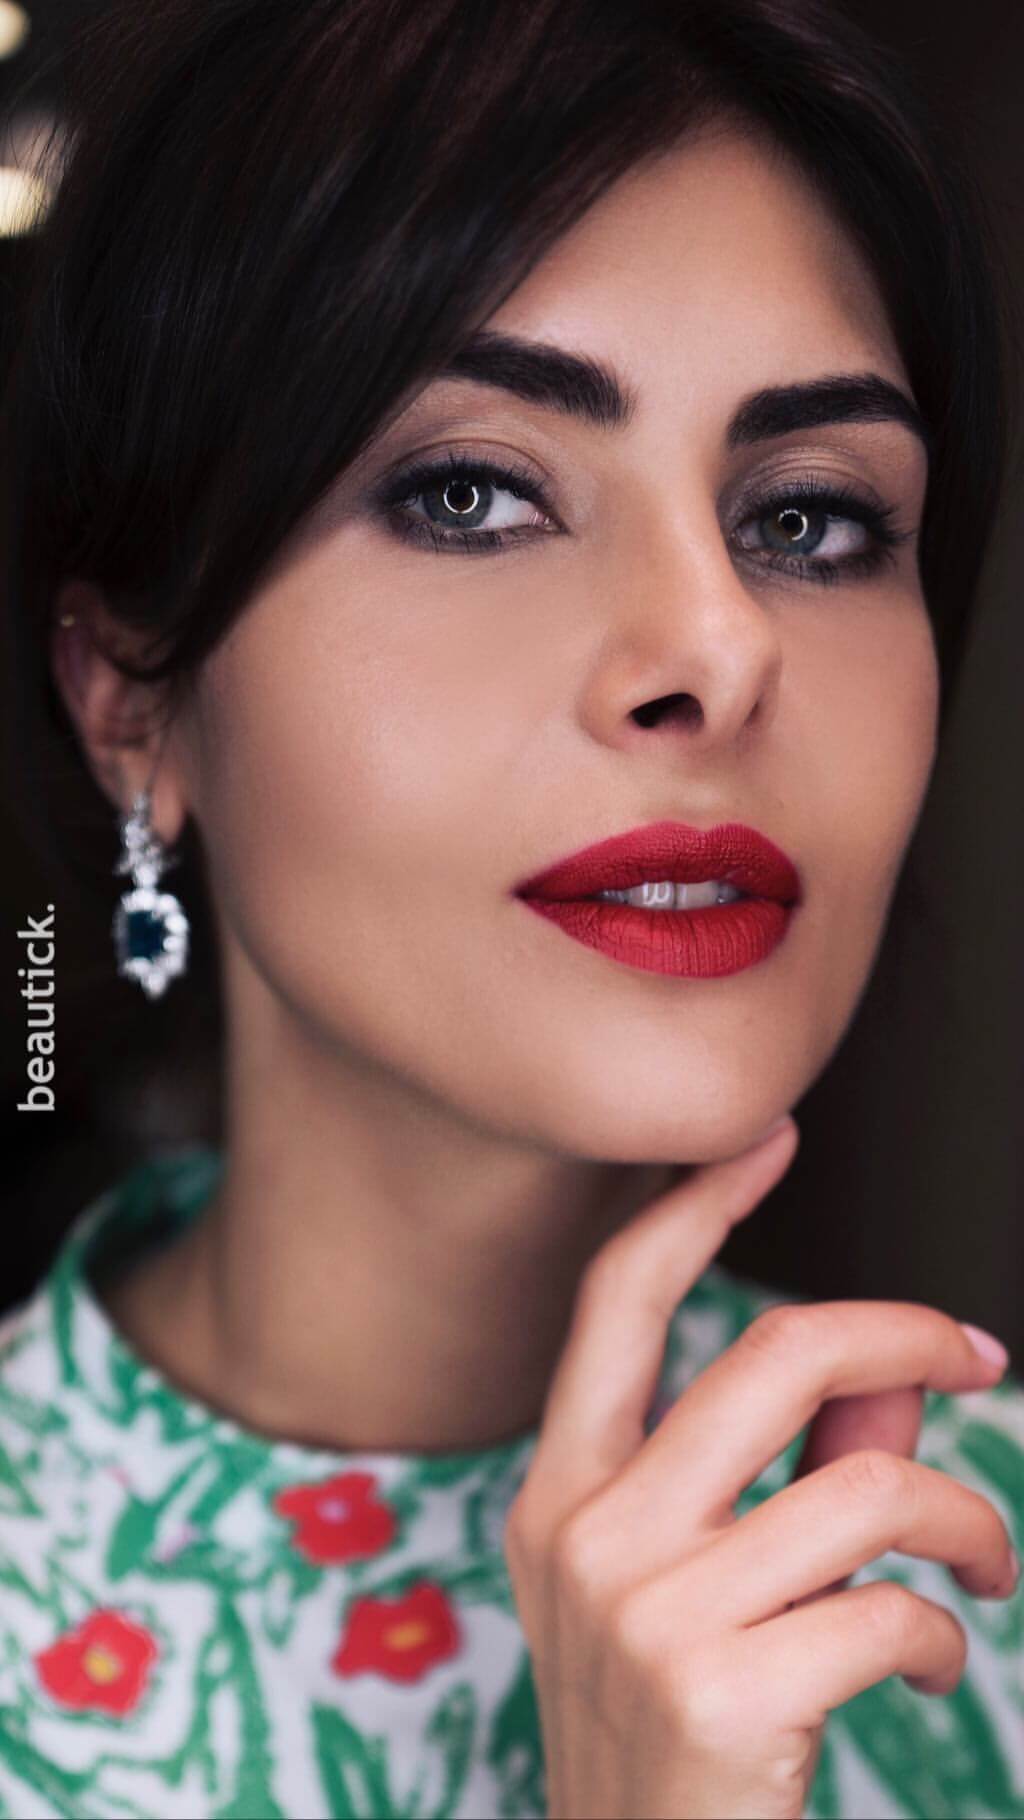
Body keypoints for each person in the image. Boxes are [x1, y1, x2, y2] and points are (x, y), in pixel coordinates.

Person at [0, 0, 1020, 1815]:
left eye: (809, 520)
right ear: (131, 700)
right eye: (469, 494)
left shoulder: (979, 1573)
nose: (718, 646)